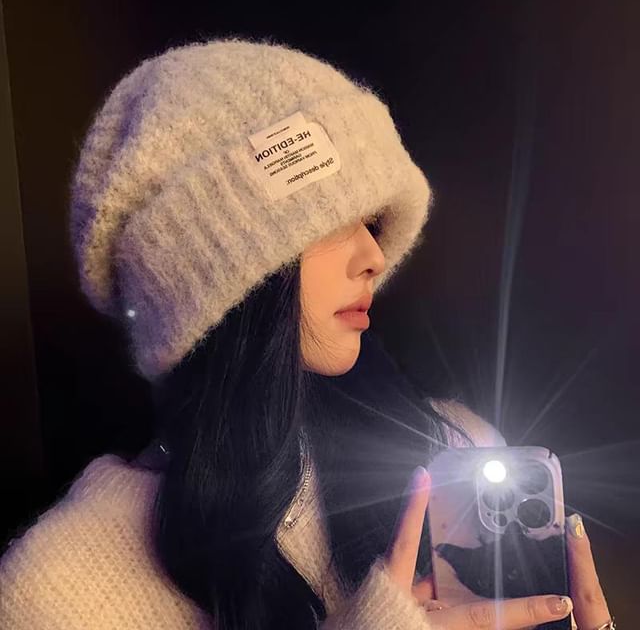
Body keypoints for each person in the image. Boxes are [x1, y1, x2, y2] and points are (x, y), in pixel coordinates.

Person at [0, 37, 613, 630]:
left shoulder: (455, 453)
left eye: (369, 219)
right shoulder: (59, 591)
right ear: (214, 277)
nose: (375, 255)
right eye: (328, 221)